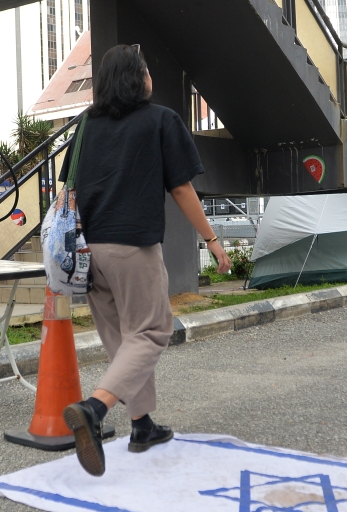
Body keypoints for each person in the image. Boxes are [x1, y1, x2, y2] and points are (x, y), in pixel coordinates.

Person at [58, 44, 231, 477]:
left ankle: (142, 426)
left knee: (122, 340)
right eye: (147, 68)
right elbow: (182, 189)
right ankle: (94, 410)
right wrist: (212, 240)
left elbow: (67, 194)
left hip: (87, 252)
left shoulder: (85, 126)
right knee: (152, 330)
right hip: (132, 248)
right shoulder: (161, 121)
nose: (151, 75)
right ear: (137, 79)